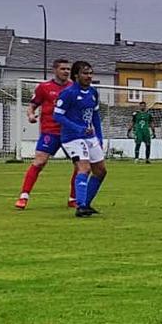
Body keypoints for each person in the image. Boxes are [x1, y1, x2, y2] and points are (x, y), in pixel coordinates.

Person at [14, 58, 77, 210]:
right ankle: (23, 196)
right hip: (50, 131)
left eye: (68, 69)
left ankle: (73, 198)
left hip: (70, 133)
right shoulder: (44, 87)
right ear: (55, 70)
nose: (66, 72)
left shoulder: (74, 87)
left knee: (81, 165)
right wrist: (30, 115)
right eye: (63, 69)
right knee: (39, 162)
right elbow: (32, 106)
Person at [54, 61, 107, 218]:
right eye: (85, 73)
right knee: (84, 168)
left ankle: (86, 204)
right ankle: (80, 205)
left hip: (89, 137)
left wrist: (99, 136)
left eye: (90, 73)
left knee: (101, 171)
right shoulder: (68, 93)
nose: (89, 76)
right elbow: (57, 115)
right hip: (72, 138)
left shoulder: (93, 92)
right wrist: (77, 128)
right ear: (76, 75)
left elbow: (95, 116)